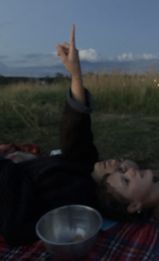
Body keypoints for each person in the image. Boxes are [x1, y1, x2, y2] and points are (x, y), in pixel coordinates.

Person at [0, 25, 99, 245]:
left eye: (124, 176)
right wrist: (75, 74)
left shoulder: (79, 194)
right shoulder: (85, 165)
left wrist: (6, 165)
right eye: (125, 164)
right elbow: (76, 130)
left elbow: (16, 223)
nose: (119, 164)